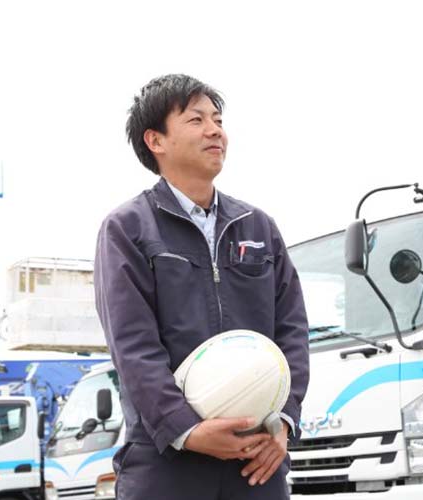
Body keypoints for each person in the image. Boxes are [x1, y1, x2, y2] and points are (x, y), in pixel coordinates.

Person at [94, 74, 309, 500]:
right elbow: (132, 344)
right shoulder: (127, 229)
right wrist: (186, 429)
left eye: (218, 120)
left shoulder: (258, 227)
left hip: (257, 460)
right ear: (155, 140)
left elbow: (292, 331)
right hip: (166, 461)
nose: (215, 131)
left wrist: (284, 420)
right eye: (196, 120)